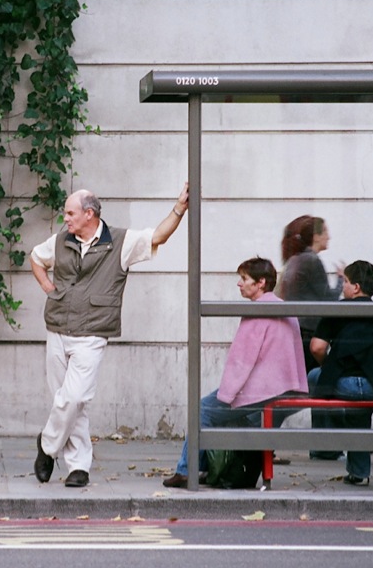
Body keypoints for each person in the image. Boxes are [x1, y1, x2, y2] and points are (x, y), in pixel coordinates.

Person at [30, 184, 189, 488]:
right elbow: (36, 259)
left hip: (92, 333)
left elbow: (158, 236)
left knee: (74, 397)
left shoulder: (120, 241)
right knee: (68, 403)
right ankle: (78, 467)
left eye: (70, 213)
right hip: (57, 328)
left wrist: (179, 209)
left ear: (89, 214)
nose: (65, 218)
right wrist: (49, 289)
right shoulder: (60, 240)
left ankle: (47, 446)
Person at [162, 257, 309, 488]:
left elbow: (242, 361)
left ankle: (188, 470)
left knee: (202, 409)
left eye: (244, 279)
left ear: (261, 283)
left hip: (258, 393)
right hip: (286, 391)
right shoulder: (285, 308)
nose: (239, 284)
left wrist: (228, 395)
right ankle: (207, 470)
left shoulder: (256, 311)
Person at [308, 260, 373, 487]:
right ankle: (359, 472)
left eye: (346, 282)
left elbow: (317, 347)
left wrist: (328, 366)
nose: (343, 286)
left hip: (344, 383)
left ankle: (328, 441)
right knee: (360, 412)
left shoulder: (338, 310)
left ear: (356, 287)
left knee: (314, 378)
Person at [279, 215, 344, 460]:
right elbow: (327, 300)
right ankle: (324, 446)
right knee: (307, 390)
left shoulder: (297, 259)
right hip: (308, 335)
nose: (329, 236)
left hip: (298, 333)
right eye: (325, 231)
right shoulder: (311, 260)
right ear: (315, 236)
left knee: (312, 388)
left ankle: (323, 446)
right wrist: (341, 280)